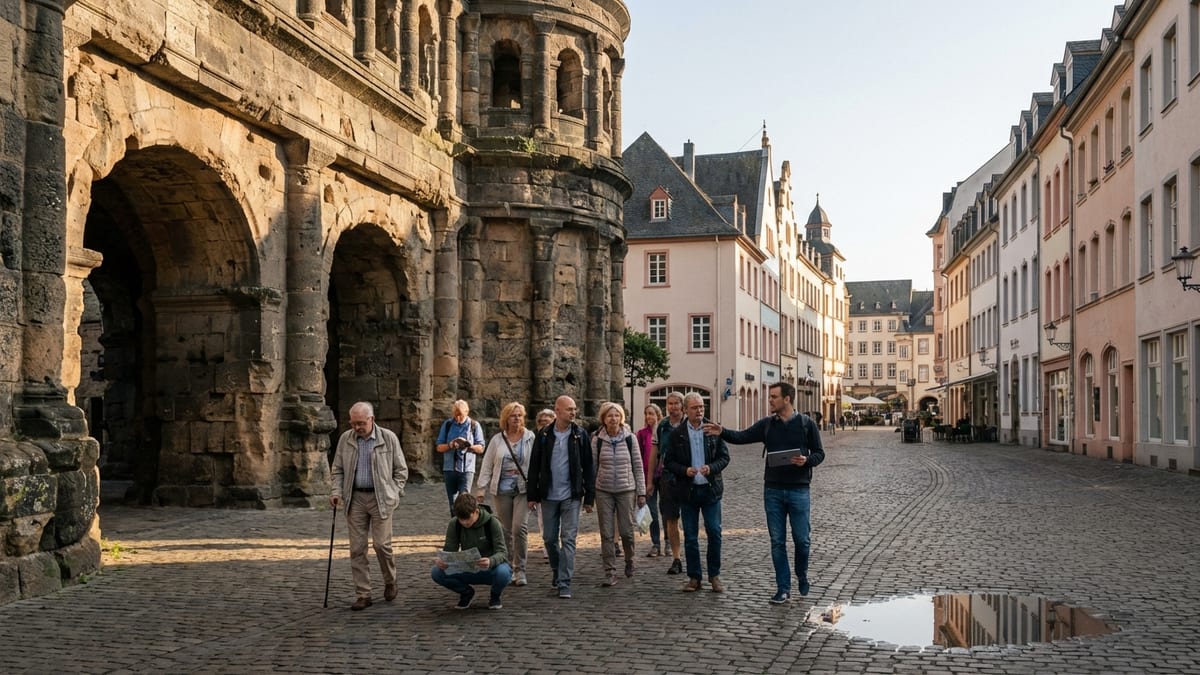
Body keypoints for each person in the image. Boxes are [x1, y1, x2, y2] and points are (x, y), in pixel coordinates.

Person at [703, 381, 824, 605]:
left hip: (799, 490)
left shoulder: (807, 424)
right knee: (777, 541)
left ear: (787, 399)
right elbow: (742, 436)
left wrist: (806, 461)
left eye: (774, 397)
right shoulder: (768, 425)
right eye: (770, 397)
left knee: (802, 541)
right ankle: (783, 588)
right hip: (773, 490)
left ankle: (802, 574)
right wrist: (722, 432)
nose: (770, 400)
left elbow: (819, 453)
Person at [329, 401, 409, 611]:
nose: (356, 427)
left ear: (371, 419)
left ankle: (390, 580)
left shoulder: (388, 438)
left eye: (361, 423)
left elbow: (401, 470)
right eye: (353, 423)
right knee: (357, 548)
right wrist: (336, 492)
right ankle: (363, 594)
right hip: (355, 499)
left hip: (380, 498)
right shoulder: (346, 440)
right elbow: (337, 469)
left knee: (381, 545)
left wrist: (394, 491)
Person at [527, 395, 595, 599]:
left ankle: (564, 582)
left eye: (574, 409)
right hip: (548, 495)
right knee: (549, 538)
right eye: (569, 409)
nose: (573, 412)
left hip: (571, 496)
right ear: (557, 411)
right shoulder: (544, 435)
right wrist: (532, 495)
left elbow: (589, 467)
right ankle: (557, 571)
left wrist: (589, 498)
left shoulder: (580, 435)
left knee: (569, 538)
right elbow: (534, 466)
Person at [664, 392, 730, 593]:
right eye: (695, 408)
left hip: (710, 490)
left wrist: (712, 467)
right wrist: (684, 470)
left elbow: (724, 457)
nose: (700, 411)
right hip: (688, 491)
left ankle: (714, 575)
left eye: (702, 407)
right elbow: (668, 462)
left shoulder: (713, 429)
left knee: (714, 532)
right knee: (691, 536)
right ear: (686, 410)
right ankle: (694, 577)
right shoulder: (677, 434)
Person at [475, 401, 535, 587]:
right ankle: (507, 568)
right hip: (501, 490)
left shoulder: (530, 437)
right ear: (506, 418)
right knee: (506, 531)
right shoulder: (497, 440)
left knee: (519, 528)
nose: (517, 418)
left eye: (519, 415)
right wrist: (481, 487)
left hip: (523, 489)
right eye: (513, 415)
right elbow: (487, 464)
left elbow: (537, 462)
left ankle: (521, 569)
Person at [591, 401, 647, 586]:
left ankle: (629, 560)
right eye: (609, 416)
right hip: (603, 490)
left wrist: (641, 492)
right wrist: (589, 495)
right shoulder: (597, 440)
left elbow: (638, 466)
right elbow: (592, 467)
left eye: (616, 415)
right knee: (606, 533)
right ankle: (610, 571)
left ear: (621, 418)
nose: (613, 419)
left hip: (626, 490)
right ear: (604, 419)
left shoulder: (630, 438)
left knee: (626, 531)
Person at [432, 493, 512, 610]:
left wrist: (491, 560)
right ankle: (466, 593)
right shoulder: (454, 524)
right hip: (468, 569)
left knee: (503, 573)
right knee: (436, 572)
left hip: (490, 568)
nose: (464, 523)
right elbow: (449, 550)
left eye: (467, 519)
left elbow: (502, 552)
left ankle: (495, 595)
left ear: (476, 511)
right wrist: (444, 561)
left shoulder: (492, 523)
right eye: (461, 519)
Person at [651, 391, 686, 575]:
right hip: (667, 477)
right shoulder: (662, 425)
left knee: (687, 517)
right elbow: (654, 453)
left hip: (687, 477)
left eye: (676, 403)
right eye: (669, 403)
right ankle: (676, 557)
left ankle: (690, 552)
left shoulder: (690, 424)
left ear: (682, 405)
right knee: (671, 518)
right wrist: (650, 480)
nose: (672, 407)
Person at [435, 399, 486, 514]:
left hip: (466, 469)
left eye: (460, 415)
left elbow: (481, 448)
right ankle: (456, 527)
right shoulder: (448, 424)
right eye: (455, 415)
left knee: (465, 501)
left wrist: (468, 446)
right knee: (453, 502)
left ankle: (466, 526)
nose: (458, 418)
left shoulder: (474, 425)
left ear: (467, 412)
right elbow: (439, 447)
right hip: (450, 468)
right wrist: (450, 444)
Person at [636, 403, 663, 558]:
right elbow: (638, 456)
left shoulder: (663, 432)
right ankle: (655, 543)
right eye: (646, 413)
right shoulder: (641, 434)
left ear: (658, 415)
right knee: (652, 511)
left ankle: (667, 540)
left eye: (651, 413)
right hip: (648, 477)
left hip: (664, 476)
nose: (648, 417)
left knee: (666, 512)